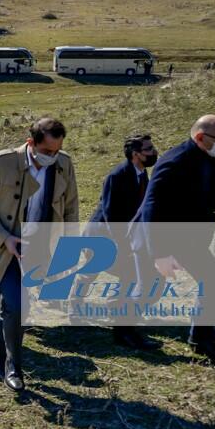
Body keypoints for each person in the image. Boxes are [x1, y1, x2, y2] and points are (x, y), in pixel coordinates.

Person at [0, 117, 79, 393]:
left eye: (57, 151)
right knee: (16, 306)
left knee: (16, 308)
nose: (52, 157)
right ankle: (13, 368)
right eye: (47, 151)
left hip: (40, 247)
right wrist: (4, 237)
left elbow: (70, 208)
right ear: (31, 143)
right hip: (4, 246)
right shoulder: (3, 162)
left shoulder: (64, 164)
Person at [131, 114, 215, 364]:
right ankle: (123, 329)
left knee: (214, 281)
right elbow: (151, 205)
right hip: (156, 237)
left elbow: (208, 188)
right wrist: (159, 254)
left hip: (185, 239)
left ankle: (200, 337)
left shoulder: (206, 156)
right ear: (201, 137)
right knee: (149, 291)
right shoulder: (175, 161)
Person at [78, 134, 161, 350]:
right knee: (91, 271)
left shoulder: (142, 174)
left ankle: (118, 308)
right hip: (101, 233)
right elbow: (110, 212)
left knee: (129, 273)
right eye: (149, 149)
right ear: (136, 154)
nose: (154, 152)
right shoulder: (117, 175)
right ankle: (75, 307)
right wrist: (121, 243)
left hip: (123, 234)